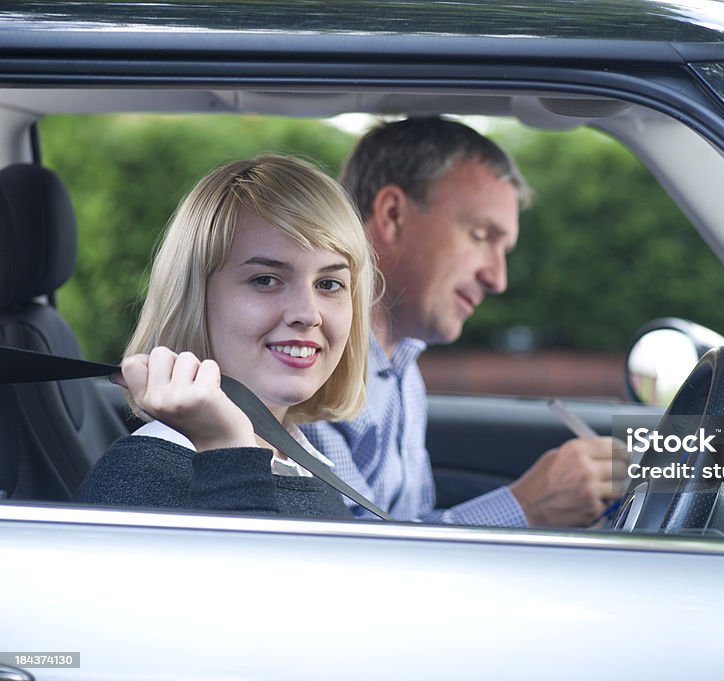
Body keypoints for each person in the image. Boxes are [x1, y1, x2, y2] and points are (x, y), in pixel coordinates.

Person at [301, 117, 627, 527]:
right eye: (480, 235)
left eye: (503, 249)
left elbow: (406, 526)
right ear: (392, 215)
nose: (497, 278)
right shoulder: (307, 367)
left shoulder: (401, 363)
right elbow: (363, 560)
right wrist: (527, 508)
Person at [76, 154, 373, 518]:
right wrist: (226, 448)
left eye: (329, 284)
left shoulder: (302, 465)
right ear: (195, 298)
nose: (308, 314)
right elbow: (242, 575)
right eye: (265, 280)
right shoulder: (139, 479)